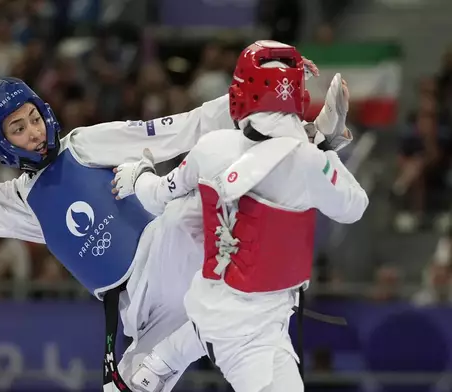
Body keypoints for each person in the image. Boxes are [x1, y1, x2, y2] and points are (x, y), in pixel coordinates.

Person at [0, 57, 319, 392]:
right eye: (18, 128)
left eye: (34, 118)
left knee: (206, 179)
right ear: (0, 144)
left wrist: (268, 83)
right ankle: (205, 331)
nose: (34, 131)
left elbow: (188, 127)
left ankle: (306, 143)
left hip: (180, 249)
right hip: (146, 314)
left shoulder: (87, 145)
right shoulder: (13, 202)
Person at [111, 40, 368, 392]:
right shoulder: (308, 161)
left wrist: (137, 175)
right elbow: (355, 206)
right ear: (298, 96)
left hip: (223, 308)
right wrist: (323, 146)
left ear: (241, 92)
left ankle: (156, 364)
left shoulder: (212, 147)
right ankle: (157, 363)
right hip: (245, 333)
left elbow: (158, 195)